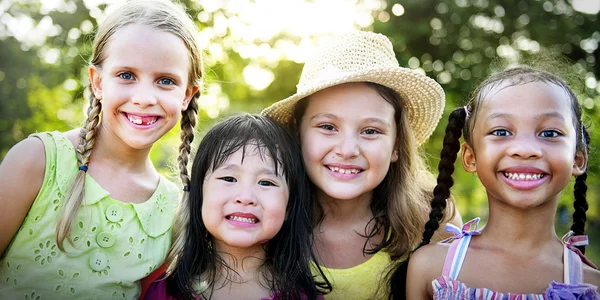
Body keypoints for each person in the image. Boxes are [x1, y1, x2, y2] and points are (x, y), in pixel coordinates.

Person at [0, 0, 202, 298]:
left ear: (186, 95)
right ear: (97, 82)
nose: (144, 98)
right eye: (126, 75)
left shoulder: (173, 210)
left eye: (165, 80)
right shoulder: (37, 160)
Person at [262, 31, 462, 299]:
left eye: (370, 131)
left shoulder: (433, 221)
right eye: (327, 127)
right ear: (298, 134)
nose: (347, 150)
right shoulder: (262, 217)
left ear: (396, 146)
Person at [402, 66, 600, 299]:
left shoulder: (592, 284)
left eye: (549, 133)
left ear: (577, 159)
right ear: (470, 157)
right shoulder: (430, 267)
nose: (525, 150)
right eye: (502, 132)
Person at [144, 114, 329, 299]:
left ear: (290, 205)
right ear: (199, 196)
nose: (245, 197)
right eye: (228, 179)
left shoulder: (304, 296)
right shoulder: (165, 292)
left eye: (266, 183)